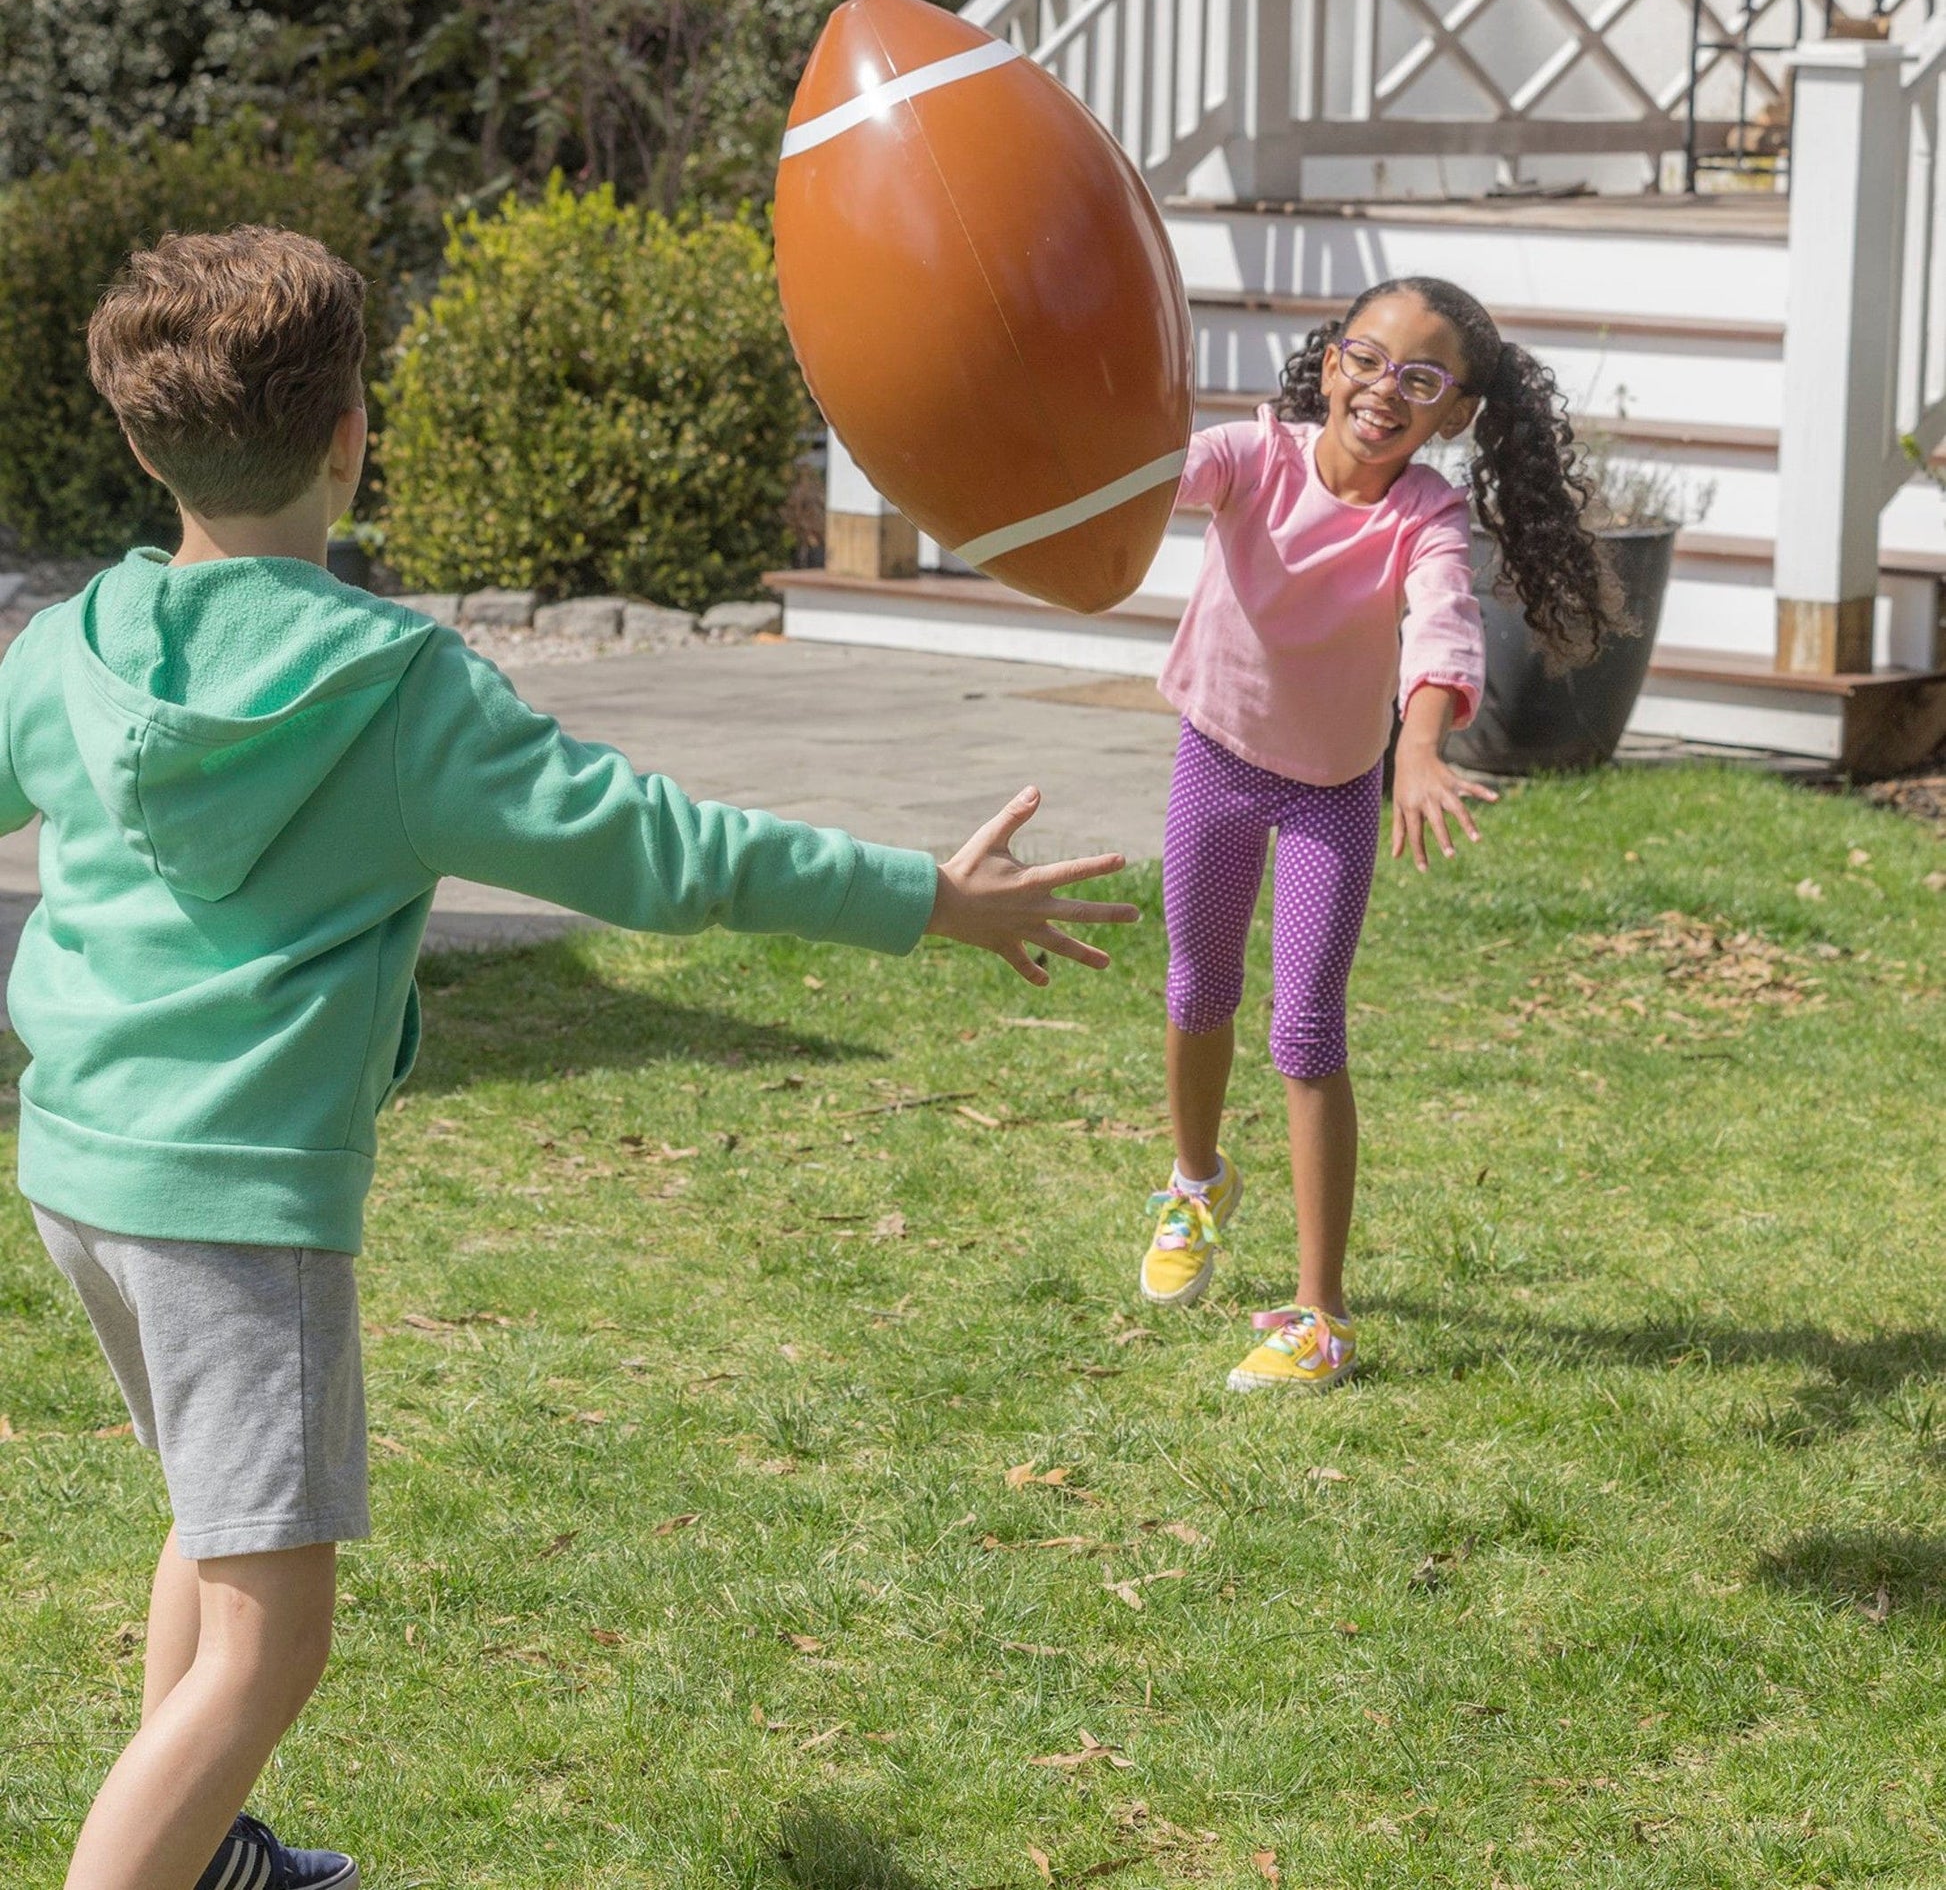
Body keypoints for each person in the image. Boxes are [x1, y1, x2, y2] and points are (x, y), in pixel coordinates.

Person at [15, 226, 1135, 1890]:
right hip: (233, 1212)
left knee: (216, 1515)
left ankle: (210, 1860)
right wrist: (928, 900)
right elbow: (665, 854)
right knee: (273, 1641)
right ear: (349, 437)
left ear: (134, 436)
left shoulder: (64, 650)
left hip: (79, 1176)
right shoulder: (401, 698)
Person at [1138, 275, 1619, 1392]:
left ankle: (1319, 1316)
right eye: (1364, 356)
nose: (1380, 388)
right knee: (1196, 988)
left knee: (1304, 1029)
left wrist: (1417, 748)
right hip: (1212, 754)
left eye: (1419, 377)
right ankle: (1196, 1183)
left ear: (1452, 412)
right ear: (1329, 358)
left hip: (1328, 792)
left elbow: (1441, 625)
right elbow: (1159, 473)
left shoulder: (1426, 517)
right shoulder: (1253, 457)